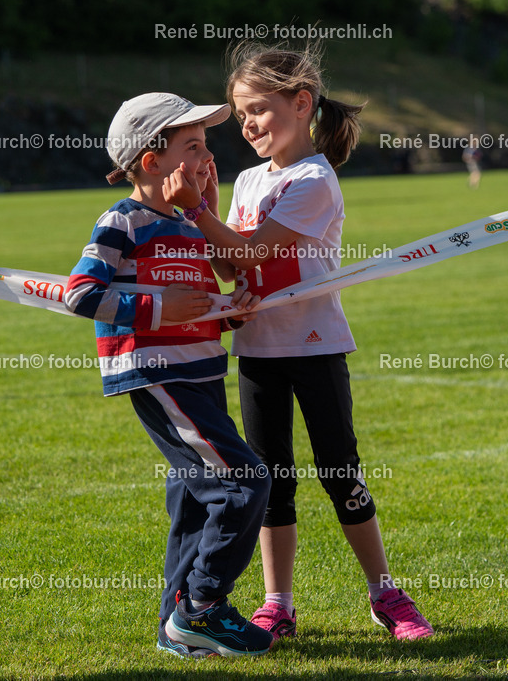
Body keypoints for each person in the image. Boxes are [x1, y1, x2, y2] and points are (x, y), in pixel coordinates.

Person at [162, 43, 434, 641]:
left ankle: (385, 594)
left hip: (315, 347)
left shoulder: (316, 179)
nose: (249, 125)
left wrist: (199, 213)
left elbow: (257, 251)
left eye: (258, 109)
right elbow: (236, 270)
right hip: (258, 352)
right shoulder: (250, 179)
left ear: (301, 103)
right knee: (272, 482)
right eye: (241, 117)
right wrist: (207, 215)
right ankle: (276, 603)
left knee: (341, 473)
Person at [64, 92, 273, 658]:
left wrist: (227, 312)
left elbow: (196, 303)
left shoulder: (186, 225)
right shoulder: (122, 220)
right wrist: (156, 310)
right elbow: (81, 294)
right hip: (158, 373)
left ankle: (174, 628)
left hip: (200, 371)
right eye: (193, 146)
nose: (208, 159)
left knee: (194, 497)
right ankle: (203, 607)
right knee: (245, 480)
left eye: (207, 146)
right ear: (151, 161)